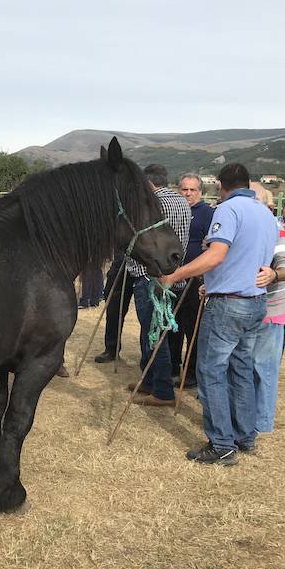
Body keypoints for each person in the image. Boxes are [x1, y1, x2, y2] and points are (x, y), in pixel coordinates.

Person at [160, 163, 278, 466]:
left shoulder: (226, 209)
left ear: (221, 186)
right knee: (240, 370)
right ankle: (244, 435)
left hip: (229, 304)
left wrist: (175, 276)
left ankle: (222, 444)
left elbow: (217, 255)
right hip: (255, 302)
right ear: (247, 183)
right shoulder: (265, 212)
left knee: (211, 372)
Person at [127, 164, 190, 407]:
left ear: (147, 182)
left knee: (155, 334)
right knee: (151, 332)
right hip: (174, 273)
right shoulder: (181, 201)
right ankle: (150, 378)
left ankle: (163, 390)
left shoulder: (153, 204)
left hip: (151, 275)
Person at [251, 186, 285, 434]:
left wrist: (274, 273)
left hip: (271, 307)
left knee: (264, 366)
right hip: (248, 306)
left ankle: (262, 422)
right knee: (247, 365)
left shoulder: (277, 231)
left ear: (268, 207)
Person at [168, 174, 213, 387]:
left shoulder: (208, 214)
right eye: (184, 189)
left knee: (192, 328)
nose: (187, 193)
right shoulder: (176, 212)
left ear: (200, 191)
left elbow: (213, 247)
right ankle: (172, 367)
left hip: (196, 280)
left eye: (192, 190)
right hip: (173, 276)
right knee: (172, 325)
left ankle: (192, 373)